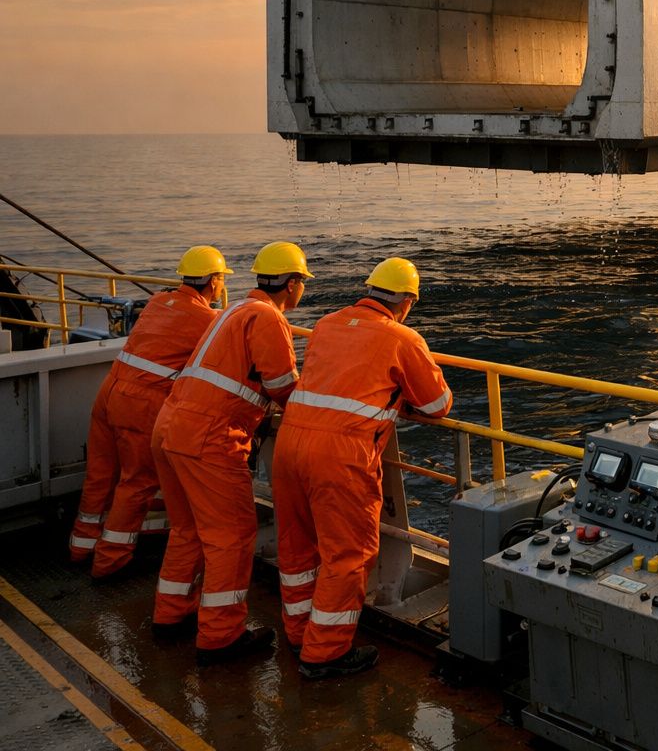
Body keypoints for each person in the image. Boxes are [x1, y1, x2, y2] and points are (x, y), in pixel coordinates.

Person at [271, 257, 452, 680]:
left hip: (290, 443)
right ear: (407, 301)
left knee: (297, 547)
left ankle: (299, 632)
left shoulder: (328, 324)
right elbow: (437, 405)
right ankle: (324, 654)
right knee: (347, 554)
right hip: (341, 456)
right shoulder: (402, 338)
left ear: (369, 290)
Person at [151, 241, 310, 666]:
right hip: (209, 438)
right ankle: (221, 637)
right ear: (292, 284)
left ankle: (170, 616)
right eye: (301, 283)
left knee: (187, 530)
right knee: (232, 535)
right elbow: (282, 386)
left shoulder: (234, 310)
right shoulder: (268, 319)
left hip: (172, 426)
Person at [69, 246, 232, 577]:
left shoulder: (158, 300)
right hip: (139, 405)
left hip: (109, 391)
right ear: (214, 282)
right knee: (137, 482)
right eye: (220, 279)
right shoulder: (208, 319)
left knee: (101, 473)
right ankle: (109, 561)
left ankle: (81, 547)